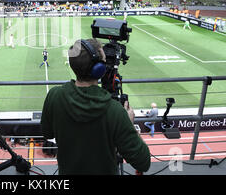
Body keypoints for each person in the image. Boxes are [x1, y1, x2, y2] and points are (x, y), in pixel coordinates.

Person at [41, 39, 150, 175]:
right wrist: (129, 125)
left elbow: (47, 133)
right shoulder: (115, 111)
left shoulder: (54, 96)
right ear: (99, 70)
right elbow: (143, 162)